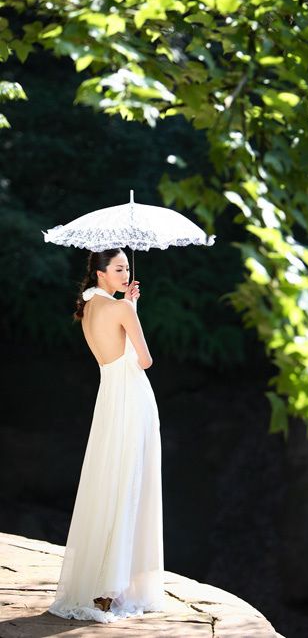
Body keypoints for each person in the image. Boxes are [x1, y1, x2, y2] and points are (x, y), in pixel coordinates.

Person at [47, 248, 165, 623]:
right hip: (133, 396)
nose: (125, 274)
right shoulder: (120, 308)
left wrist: (130, 306)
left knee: (111, 480)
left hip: (110, 397)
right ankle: (113, 588)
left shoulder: (89, 307)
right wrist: (131, 309)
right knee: (131, 483)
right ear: (101, 273)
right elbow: (144, 360)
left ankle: (103, 582)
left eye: (127, 268)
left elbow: (112, 350)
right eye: (118, 268)